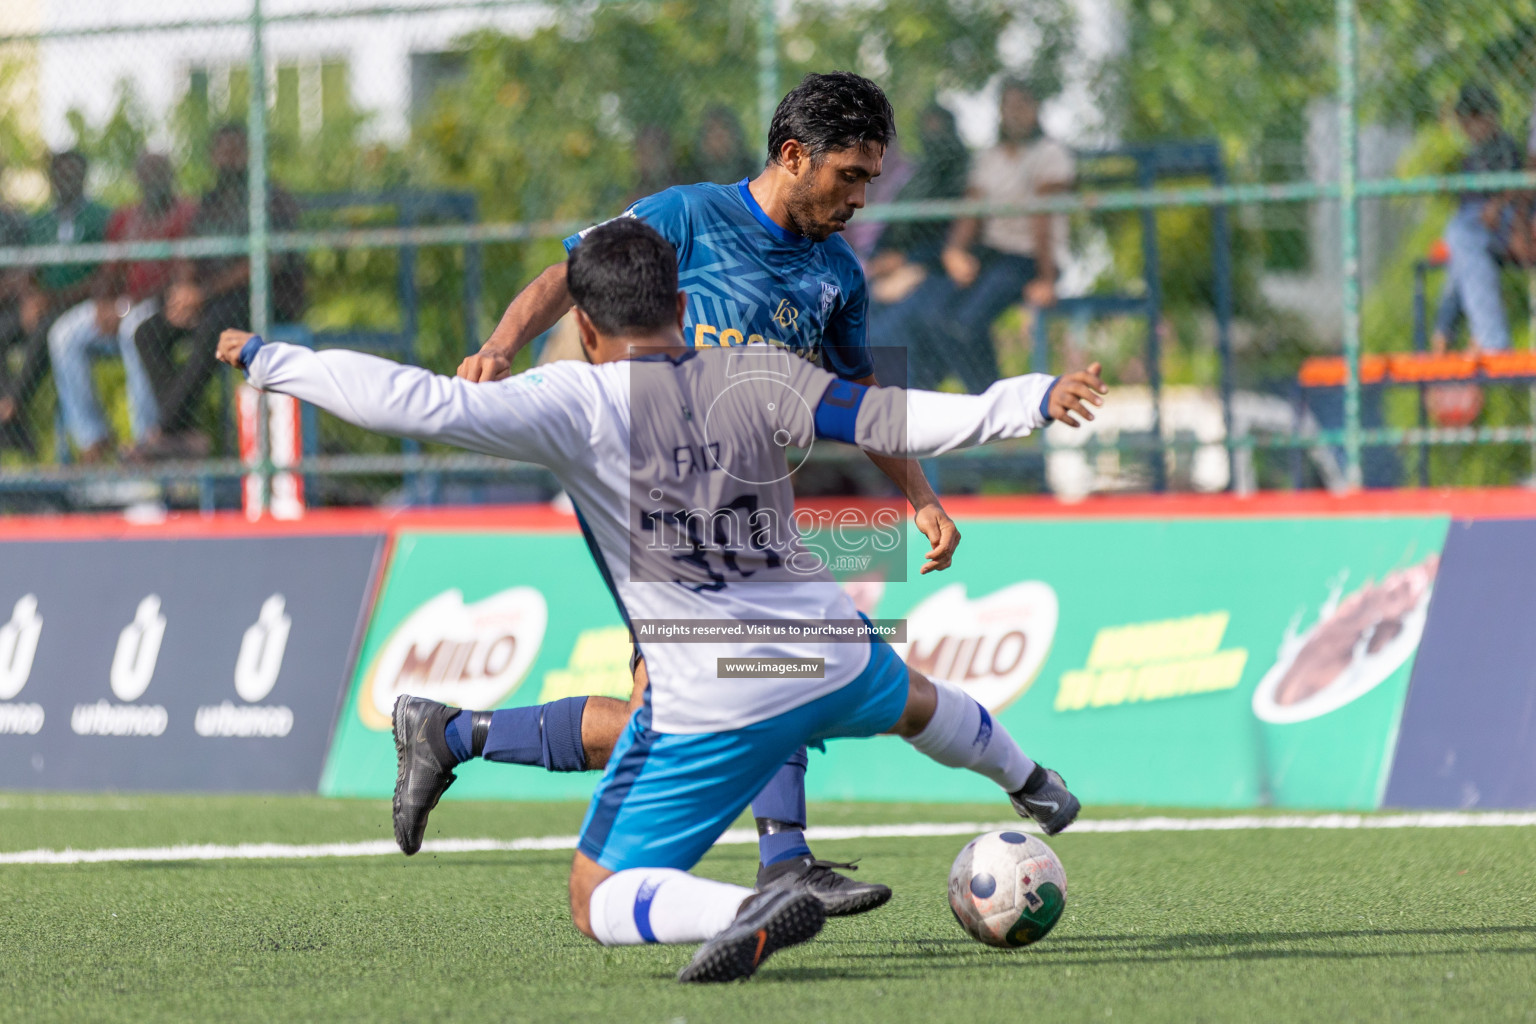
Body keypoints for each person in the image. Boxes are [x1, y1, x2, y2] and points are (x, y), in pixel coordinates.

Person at [216, 216, 1106, 982]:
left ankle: (745, 908)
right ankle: (1035, 783)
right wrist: (1029, 396)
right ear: (684, 307)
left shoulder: (572, 398)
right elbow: (895, 417)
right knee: (911, 698)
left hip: (715, 688)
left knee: (594, 897)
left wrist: (271, 359)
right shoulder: (756, 370)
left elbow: (411, 401)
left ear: (590, 333)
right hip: (830, 647)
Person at [453, 71, 961, 916]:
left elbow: (864, 396)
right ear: (795, 156)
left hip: (751, 499)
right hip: (654, 495)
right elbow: (571, 272)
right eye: (852, 175)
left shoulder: (839, 273)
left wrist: (921, 497)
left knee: (683, 699)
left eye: (873, 177)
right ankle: (780, 867)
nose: (863, 196)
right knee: (759, 665)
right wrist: (501, 345)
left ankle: (449, 732)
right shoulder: (685, 216)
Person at [875, 79, 1074, 393]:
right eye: (1009, 107)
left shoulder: (1050, 154)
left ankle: (996, 406)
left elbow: (1043, 219)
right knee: (932, 314)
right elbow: (971, 211)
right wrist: (955, 251)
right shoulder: (990, 158)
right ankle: (969, 404)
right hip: (992, 254)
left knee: (964, 323)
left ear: (1035, 110)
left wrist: (1046, 279)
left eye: (1022, 106)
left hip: (1030, 258)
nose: (1015, 114)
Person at [129, 122, 303, 459]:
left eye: (235, 151)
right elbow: (190, 253)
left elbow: (264, 265)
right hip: (212, 298)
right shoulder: (211, 201)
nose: (227, 159)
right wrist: (184, 288)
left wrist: (203, 293)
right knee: (147, 331)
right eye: (221, 152)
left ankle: (164, 431)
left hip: (266, 299)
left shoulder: (272, 197)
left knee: (216, 328)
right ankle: (182, 433)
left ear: (250, 154)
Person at [47, 153, 197, 461]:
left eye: (159, 174)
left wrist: (124, 308)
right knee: (64, 334)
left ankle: (146, 439)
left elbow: (183, 274)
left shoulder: (185, 212)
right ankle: (92, 438)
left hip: (160, 306)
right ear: (137, 180)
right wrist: (103, 303)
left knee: (133, 329)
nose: (152, 181)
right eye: (146, 174)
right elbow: (110, 270)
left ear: (170, 177)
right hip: (123, 303)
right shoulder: (126, 217)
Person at [0, 150, 111, 453]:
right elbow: (28, 269)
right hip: (42, 304)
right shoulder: (40, 222)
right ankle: (10, 416)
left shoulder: (100, 216)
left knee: (51, 326)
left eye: (72, 172)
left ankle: (12, 404)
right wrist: (30, 298)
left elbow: (104, 275)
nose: (66, 179)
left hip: (78, 305)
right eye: (60, 173)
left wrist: (51, 298)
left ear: (84, 176)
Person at [1429, 83, 1527, 355]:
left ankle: (1484, 339)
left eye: (1471, 120)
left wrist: (1498, 204)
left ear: (1487, 117)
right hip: (1476, 229)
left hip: (1507, 220)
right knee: (1461, 248)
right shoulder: (1471, 156)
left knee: (1461, 236)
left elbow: (1519, 187)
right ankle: (1449, 335)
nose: (1466, 128)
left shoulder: (1503, 147)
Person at [682, 105, 756, 185]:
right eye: (711, 130)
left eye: (724, 128)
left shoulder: (751, 169)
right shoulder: (691, 174)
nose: (718, 136)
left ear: (735, 135)